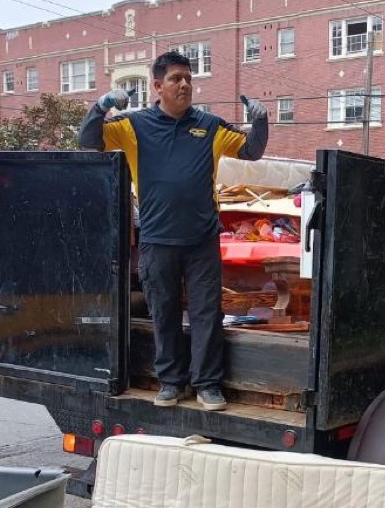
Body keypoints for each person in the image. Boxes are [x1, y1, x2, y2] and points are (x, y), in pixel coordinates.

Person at [79, 50, 269, 410]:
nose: (184, 84)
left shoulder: (210, 126)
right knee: (164, 313)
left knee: (206, 314)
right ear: (157, 86)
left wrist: (260, 122)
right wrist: (101, 106)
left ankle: (208, 385)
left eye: (188, 78)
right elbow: (89, 141)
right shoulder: (134, 126)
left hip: (201, 239)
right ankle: (170, 382)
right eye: (175, 79)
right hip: (156, 240)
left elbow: (251, 151)